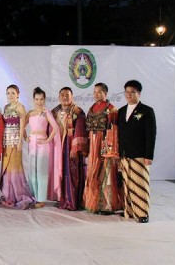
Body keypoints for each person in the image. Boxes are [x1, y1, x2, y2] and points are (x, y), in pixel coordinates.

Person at [118, 80, 156, 223]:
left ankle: (142, 213)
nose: (128, 95)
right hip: (124, 154)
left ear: (138, 93)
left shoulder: (147, 111)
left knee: (140, 184)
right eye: (126, 92)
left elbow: (151, 135)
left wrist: (149, 155)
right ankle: (129, 210)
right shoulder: (121, 111)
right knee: (127, 183)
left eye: (132, 92)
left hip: (140, 154)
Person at [83, 82, 122, 214]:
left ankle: (107, 205)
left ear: (105, 93)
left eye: (99, 92)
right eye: (94, 92)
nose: (96, 94)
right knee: (92, 171)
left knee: (106, 172)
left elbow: (115, 130)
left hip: (106, 144)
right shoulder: (92, 108)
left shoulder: (112, 109)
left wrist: (110, 147)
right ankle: (92, 202)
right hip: (93, 144)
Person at [51, 87, 89, 211]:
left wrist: (75, 148)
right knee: (60, 172)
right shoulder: (54, 111)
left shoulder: (77, 111)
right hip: (58, 147)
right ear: (58, 97)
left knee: (72, 173)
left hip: (71, 146)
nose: (64, 97)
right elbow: (49, 128)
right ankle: (63, 198)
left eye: (67, 94)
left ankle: (72, 201)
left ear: (72, 96)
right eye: (62, 94)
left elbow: (80, 130)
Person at [0, 84, 35, 209]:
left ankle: (18, 194)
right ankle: (8, 194)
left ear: (18, 94)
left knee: (15, 167)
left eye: (13, 93)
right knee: (7, 166)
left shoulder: (20, 107)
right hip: (6, 141)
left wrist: (20, 141)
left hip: (15, 141)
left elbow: (22, 126)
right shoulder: (6, 107)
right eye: (8, 93)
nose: (10, 95)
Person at [25, 87, 61, 206]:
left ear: (44, 100)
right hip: (32, 144)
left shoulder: (46, 112)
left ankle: (41, 199)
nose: (39, 102)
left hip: (42, 144)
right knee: (32, 171)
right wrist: (25, 137)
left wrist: (48, 140)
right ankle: (33, 195)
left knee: (41, 171)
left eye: (41, 99)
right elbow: (21, 126)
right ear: (33, 99)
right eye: (37, 99)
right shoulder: (30, 113)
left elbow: (55, 128)